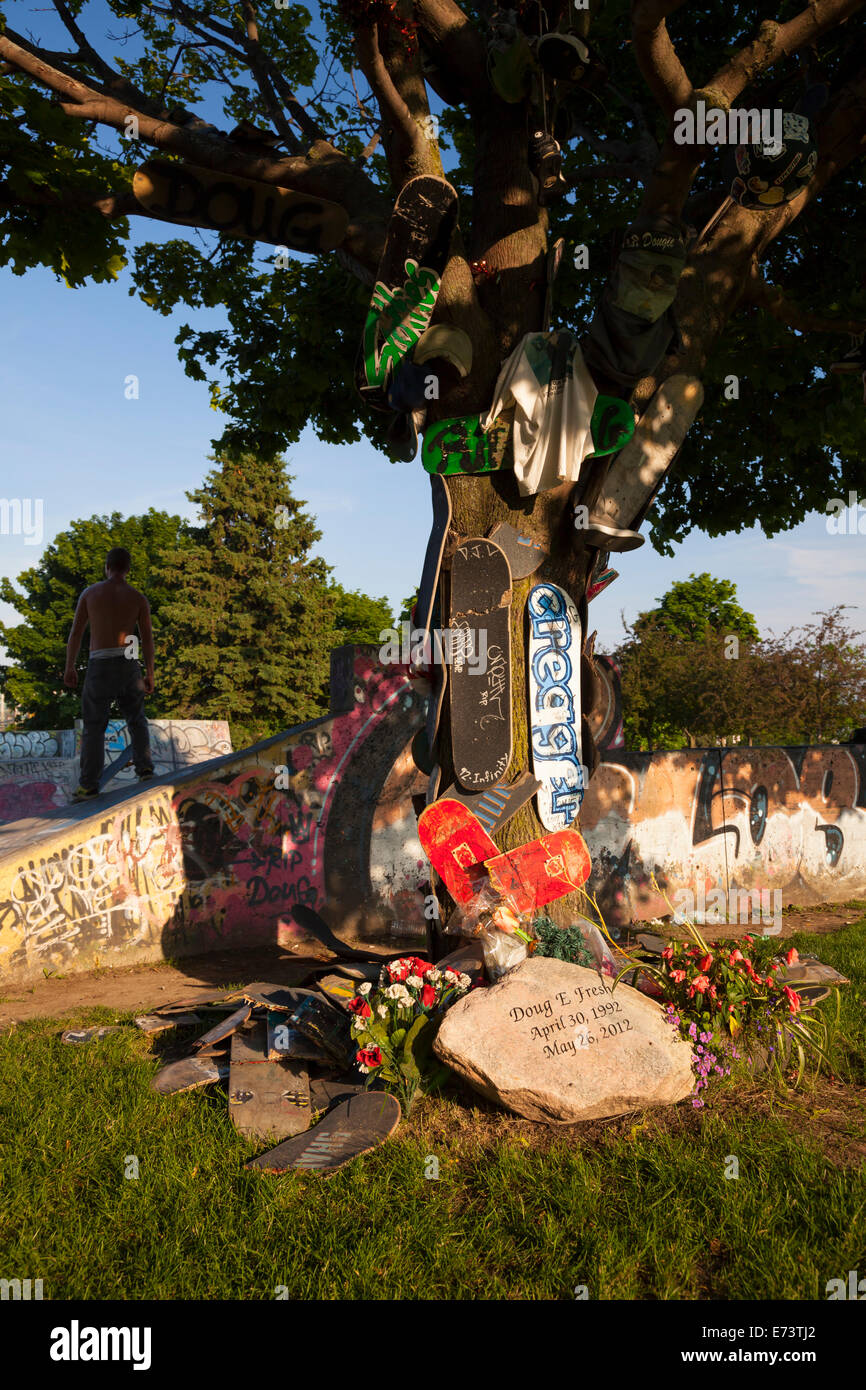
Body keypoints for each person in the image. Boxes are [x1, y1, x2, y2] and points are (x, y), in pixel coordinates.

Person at [63, 547, 155, 799]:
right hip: (128, 662)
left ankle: (89, 785)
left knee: (94, 726)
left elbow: (76, 634)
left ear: (107, 566)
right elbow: (146, 639)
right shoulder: (138, 598)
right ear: (127, 569)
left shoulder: (90, 593)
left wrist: (70, 666)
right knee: (136, 719)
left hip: (99, 663)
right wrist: (150, 673)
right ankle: (145, 769)